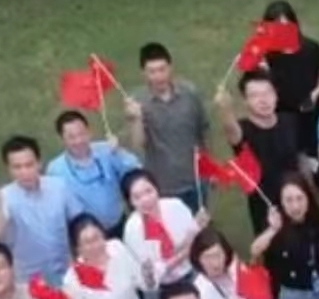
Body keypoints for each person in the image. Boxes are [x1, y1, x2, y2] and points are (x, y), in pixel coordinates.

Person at [0, 135, 87, 286]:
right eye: (17, 167)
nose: (24, 172)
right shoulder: (4, 197)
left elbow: (79, 221)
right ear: (9, 169)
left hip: (66, 271)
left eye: (29, 165)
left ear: (39, 163)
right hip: (31, 280)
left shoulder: (59, 186)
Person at [125, 42, 210, 212]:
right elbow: (137, 144)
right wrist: (136, 119)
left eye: (162, 69)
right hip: (162, 187)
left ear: (171, 68)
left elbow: (203, 130)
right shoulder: (137, 102)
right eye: (152, 71)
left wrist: (210, 169)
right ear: (144, 73)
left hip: (196, 180)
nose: (158, 76)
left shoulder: (190, 93)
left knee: (200, 225)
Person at [215, 69, 302, 234]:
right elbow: (230, 129)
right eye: (255, 95)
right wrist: (225, 109)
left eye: (268, 93)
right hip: (266, 208)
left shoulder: (289, 121)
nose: (263, 100)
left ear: (276, 94)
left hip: (296, 200)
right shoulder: (243, 130)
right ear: (245, 101)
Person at [121, 168, 206, 299]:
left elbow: (191, 240)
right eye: (137, 197)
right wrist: (182, 254)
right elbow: (151, 273)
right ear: (130, 202)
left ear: (157, 189)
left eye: (149, 191)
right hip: (162, 289)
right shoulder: (133, 230)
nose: (146, 200)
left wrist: (196, 228)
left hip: (190, 274)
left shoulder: (175, 206)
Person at [46, 111, 142, 236]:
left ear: (89, 132)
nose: (79, 141)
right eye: (71, 137)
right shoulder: (56, 170)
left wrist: (119, 152)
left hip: (119, 224)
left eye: (82, 134)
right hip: (87, 235)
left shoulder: (107, 150)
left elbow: (135, 169)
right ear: (62, 139)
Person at [260, 0, 319, 159]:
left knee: (318, 154)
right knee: (290, 156)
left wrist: (314, 94)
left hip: (311, 110)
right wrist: (263, 71)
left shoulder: (311, 48)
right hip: (284, 114)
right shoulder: (269, 54)